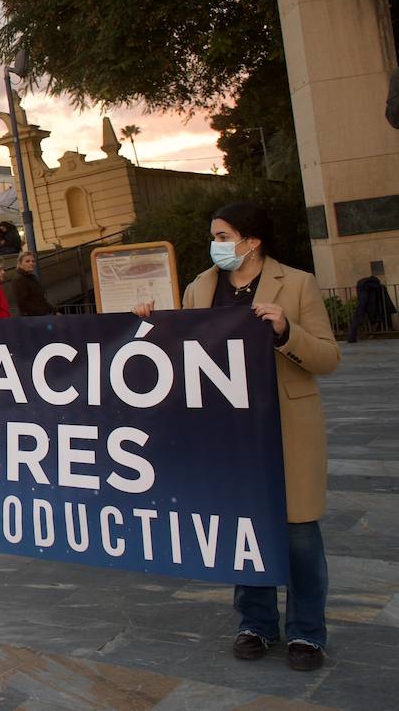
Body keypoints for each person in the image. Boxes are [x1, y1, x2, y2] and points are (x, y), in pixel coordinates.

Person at [133, 201, 340, 673]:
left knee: (298, 533)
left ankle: (308, 632)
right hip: (228, 431)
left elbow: (328, 358)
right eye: (215, 237)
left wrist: (286, 331)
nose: (216, 245)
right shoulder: (199, 287)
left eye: (223, 236)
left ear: (253, 241)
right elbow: (182, 351)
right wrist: (148, 321)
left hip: (285, 426)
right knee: (244, 528)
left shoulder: (298, 283)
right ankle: (256, 622)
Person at [12, 251, 54, 317]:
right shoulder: (19, 279)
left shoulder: (31, 277)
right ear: (20, 264)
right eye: (27, 261)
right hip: (34, 319)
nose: (31, 263)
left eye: (33, 261)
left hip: (41, 316)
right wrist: (43, 313)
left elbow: (41, 300)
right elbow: (23, 303)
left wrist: (54, 310)